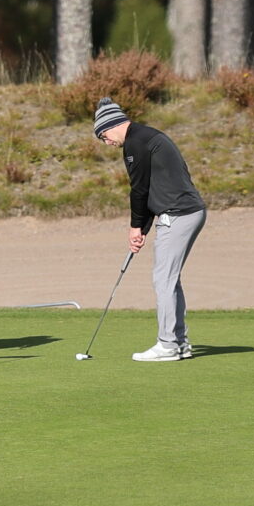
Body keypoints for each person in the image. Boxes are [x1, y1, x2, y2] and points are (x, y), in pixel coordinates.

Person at [91, 98, 206, 361]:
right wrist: (143, 228)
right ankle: (180, 343)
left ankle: (168, 345)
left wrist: (134, 227)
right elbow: (154, 186)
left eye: (103, 136)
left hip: (178, 214)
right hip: (187, 212)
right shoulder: (145, 136)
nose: (106, 143)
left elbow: (139, 189)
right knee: (169, 278)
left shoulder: (136, 142)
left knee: (163, 279)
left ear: (111, 125)